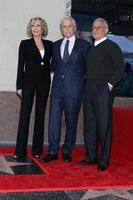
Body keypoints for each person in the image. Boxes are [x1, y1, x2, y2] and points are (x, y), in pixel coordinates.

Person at [77, 18, 124, 171]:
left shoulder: (112, 46)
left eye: (99, 27)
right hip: (89, 87)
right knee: (90, 124)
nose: (95, 29)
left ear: (105, 30)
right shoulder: (91, 48)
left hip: (103, 89)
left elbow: (119, 68)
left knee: (104, 124)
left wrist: (109, 85)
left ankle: (103, 160)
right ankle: (91, 156)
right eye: (93, 27)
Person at [42, 16, 90, 163]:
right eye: (64, 26)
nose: (67, 29)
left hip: (74, 90)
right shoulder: (55, 45)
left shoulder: (84, 45)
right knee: (54, 121)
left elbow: (89, 69)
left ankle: (67, 150)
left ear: (75, 28)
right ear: (61, 29)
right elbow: (54, 65)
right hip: (57, 89)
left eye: (70, 26)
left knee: (71, 121)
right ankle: (52, 151)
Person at [14, 17, 53, 160]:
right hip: (28, 83)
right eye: (33, 26)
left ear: (43, 28)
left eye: (38, 25)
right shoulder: (25, 44)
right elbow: (20, 66)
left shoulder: (50, 45)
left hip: (44, 83)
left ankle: (37, 149)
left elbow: (52, 65)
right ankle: (20, 150)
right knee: (25, 115)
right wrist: (19, 86)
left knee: (40, 115)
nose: (35, 28)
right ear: (30, 29)